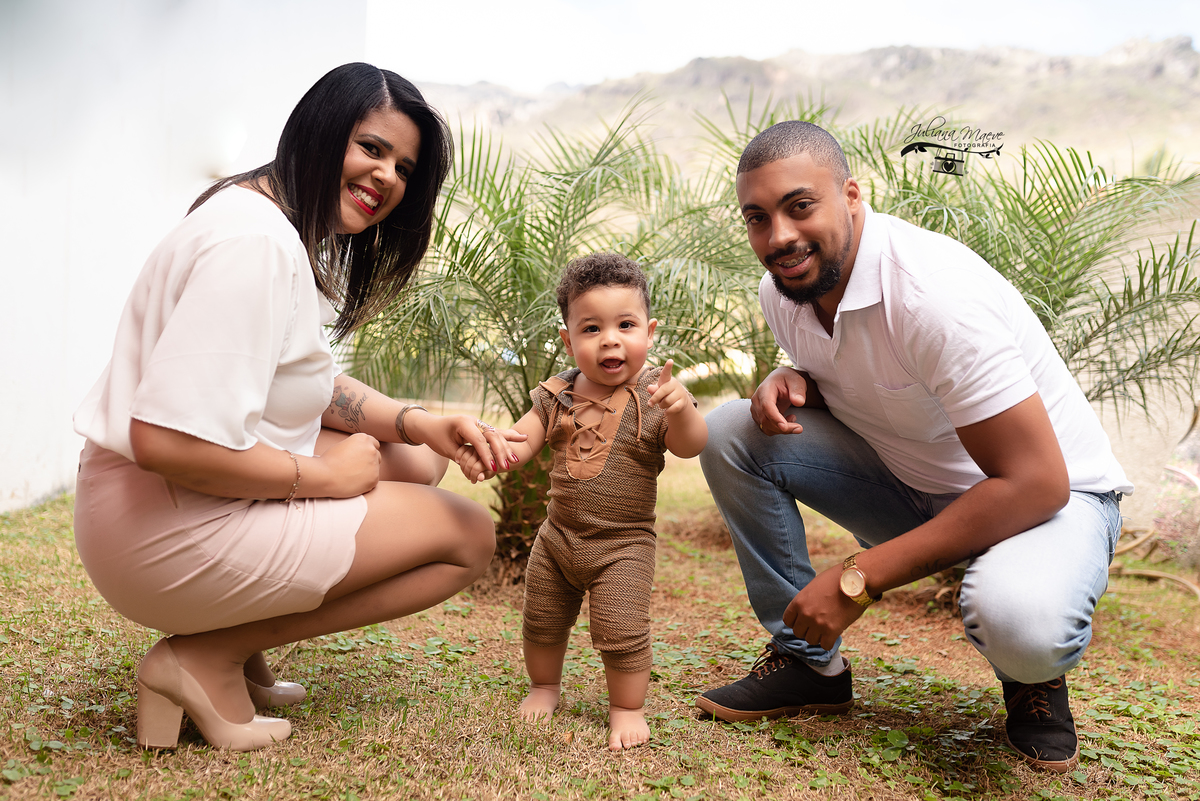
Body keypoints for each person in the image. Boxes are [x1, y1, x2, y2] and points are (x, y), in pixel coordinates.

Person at [72, 63, 519, 752]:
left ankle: (232, 637)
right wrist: (323, 478)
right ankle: (208, 654)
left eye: (403, 168)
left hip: (148, 504)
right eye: (372, 148)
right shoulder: (254, 245)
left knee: (413, 458)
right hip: (155, 527)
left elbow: (301, 381)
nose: (387, 177)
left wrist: (420, 422)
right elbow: (164, 441)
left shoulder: (261, 218)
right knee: (468, 535)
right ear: (321, 130)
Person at [695, 121, 1131, 773]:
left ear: (851, 195)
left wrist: (857, 578)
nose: (779, 236)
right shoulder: (787, 288)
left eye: (800, 206)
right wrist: (795, 378)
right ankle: (808, 664)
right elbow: (867, 370)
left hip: (1052, 501)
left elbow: (1038, 482)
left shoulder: (933, 295)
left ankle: (1033, 678)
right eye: (758, 218)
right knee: (732, 430)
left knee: (1023, 623)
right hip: (916, 486)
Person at [456, 254, 708, 750]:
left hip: (624, 545)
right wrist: (491, 452)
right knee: (542, 618)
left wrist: (681, 410)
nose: (610, 339)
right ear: (569, 341)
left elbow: (690, 445)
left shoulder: (658, 395)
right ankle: (544, 687)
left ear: (649, 332)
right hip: (557, 538)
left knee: (622, 627)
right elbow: (520, 442)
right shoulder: (556, 395)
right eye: (591, 328)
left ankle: (627, 708)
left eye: (625, 325)